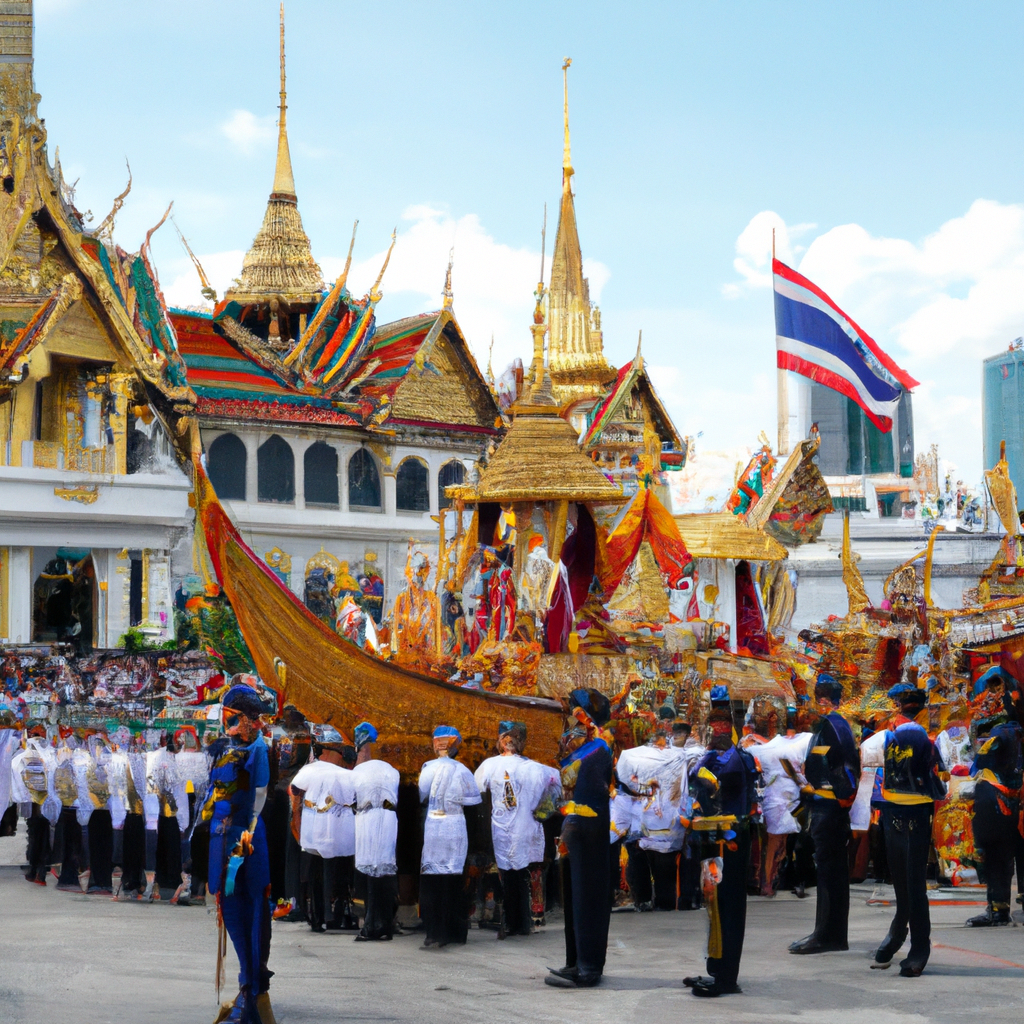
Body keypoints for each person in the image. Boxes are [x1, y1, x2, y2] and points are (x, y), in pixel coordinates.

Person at [198, 684, 274, 1024]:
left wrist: (244, 841)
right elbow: (210, 798)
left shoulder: (258, 751)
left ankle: (250, 988)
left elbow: (258, 801)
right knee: (231, 913)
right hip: (220, 841)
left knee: (251, 915)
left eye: (231, 716)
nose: (225, 722)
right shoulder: (221, 749)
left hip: (245, 844)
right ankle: (248, 987)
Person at [682, 689, 759, 998]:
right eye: (713, 722)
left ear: (732, 725)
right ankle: (716, 967)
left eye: (722, 722)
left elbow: (713, 788)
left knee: (727, 906)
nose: (717, 728)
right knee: (713, 903)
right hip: (713, 840)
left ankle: (727, 977)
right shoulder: (713, 755)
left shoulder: (738, 759)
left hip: (731, 841)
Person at [871, 684, 946, 977]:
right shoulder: (893, 734)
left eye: (895, 703)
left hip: (913, 812)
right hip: (892, 811)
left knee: (912, 882)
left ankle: (919, 947)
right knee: (901, 880)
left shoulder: (912, 735)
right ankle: (898, 933)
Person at [546, 689, 614, 989]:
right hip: (574, 829)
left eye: (575, 712)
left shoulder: (598, 749)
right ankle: (575, 960)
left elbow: (590, 794)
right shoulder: (579, 751)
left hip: (589, 830)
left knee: (587, 896)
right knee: (573, 897)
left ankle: (588, 967)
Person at [790, 675, 860, 954]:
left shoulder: (836, 725)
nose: (819, 703)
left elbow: (848, 767)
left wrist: (844, 798)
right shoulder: (825, 727)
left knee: (831, 874)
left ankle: (829, 936)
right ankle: (825, 932)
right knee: (826, 873)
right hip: (820, 803)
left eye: (823, 699)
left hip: (831, 807)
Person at [475, 720, 560, 939]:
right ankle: (517, 922)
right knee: (515, 875)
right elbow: (556, 784)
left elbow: (474, 790)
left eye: (514, 738)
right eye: (507, 738)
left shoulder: (523, 766)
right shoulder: (502, 765)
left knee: (515, 875)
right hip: (513, 826)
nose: (510, 742)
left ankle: (517, 922)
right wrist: (544, 809)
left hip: (513, 826)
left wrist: (544, 809)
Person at [417, 725, 482, 948]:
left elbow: (423, 796)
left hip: (434, 826)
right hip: (454, 827)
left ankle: (432, 931)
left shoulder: (427, 768)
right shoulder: (463, 771)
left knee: (432, 879)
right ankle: (451, 931)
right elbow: (473, 806)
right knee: (452, 881)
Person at [289, 725, 357, 933]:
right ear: (329, 752)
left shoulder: (310, 770)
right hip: (338, 831)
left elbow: (294, 789)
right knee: (336, 873)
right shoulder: (344, 774)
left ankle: (319, 917)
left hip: (314, 831)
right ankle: (336, 915)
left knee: (316, 874)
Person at [967, 697, 1022, 926]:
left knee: (997, 858)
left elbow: (981, 759)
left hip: (1000, 803)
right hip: (1016, 801)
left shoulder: (1001, 733)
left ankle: (997, 910)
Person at [350, 721, 400, 941]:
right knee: (385, 871)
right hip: (388, 818)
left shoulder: (358, 771)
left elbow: (351, 799)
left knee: (371, 873)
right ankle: (385, 924)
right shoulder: (391, 770)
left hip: (368, 819)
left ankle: (371, 925)